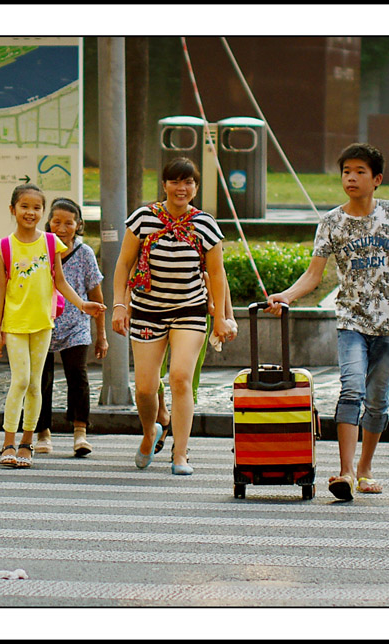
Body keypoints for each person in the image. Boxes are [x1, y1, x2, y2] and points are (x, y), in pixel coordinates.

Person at [267, 143, 389, 500]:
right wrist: (287, 296)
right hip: (351, 320)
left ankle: (365, 469)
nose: (352, 178)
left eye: (360, 172)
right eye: (347, 171)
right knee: (351, 389)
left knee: (377, 399)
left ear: (377, 179)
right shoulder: (331, 222)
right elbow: (314, 275)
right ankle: (344, 471)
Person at [112, 157, 231, 475]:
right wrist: (119, 306)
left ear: (196, 187)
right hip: (148, 311)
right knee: (145, 388)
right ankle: (151, 430)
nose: (182, 188)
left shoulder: (205, 224)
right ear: (164, 185)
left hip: (190, 311)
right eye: (176, 182)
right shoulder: (143, 218)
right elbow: (124, 264)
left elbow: (217, 274)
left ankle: (180, 453)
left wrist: (219, 316)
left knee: (180, 378)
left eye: (189, 182)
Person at [0, 186, 106, 468]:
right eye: (24, 206)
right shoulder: (4, 246)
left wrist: (82, 305)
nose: (30, 212)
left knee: (34, 385)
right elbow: (0, 291)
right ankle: (8, 442)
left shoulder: (51, 244)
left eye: (36, 207)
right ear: (13, 209)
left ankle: (28, 443)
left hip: (44, 323)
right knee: (20, 381)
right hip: (15, 325)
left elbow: (61, 282)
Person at [35, 198, 108, 458]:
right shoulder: (39, 248)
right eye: (56, 222)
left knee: (78, 376)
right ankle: (42, 432)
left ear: (78, 225)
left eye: (69, 223)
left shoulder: (85, 253)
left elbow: (96, 296)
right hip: (41, 323)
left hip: (76, 324)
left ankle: (80, 432)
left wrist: (102, 336)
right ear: (49, 223)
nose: (62, 227)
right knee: (40, 380)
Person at [153, 270, 237, 457]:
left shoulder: (205, 241)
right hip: (155, 310)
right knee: (151, 376)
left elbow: (219, 274)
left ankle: (180, 444)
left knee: (186, 380)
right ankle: (162, 414)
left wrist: (228, 316)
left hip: (194, 315)